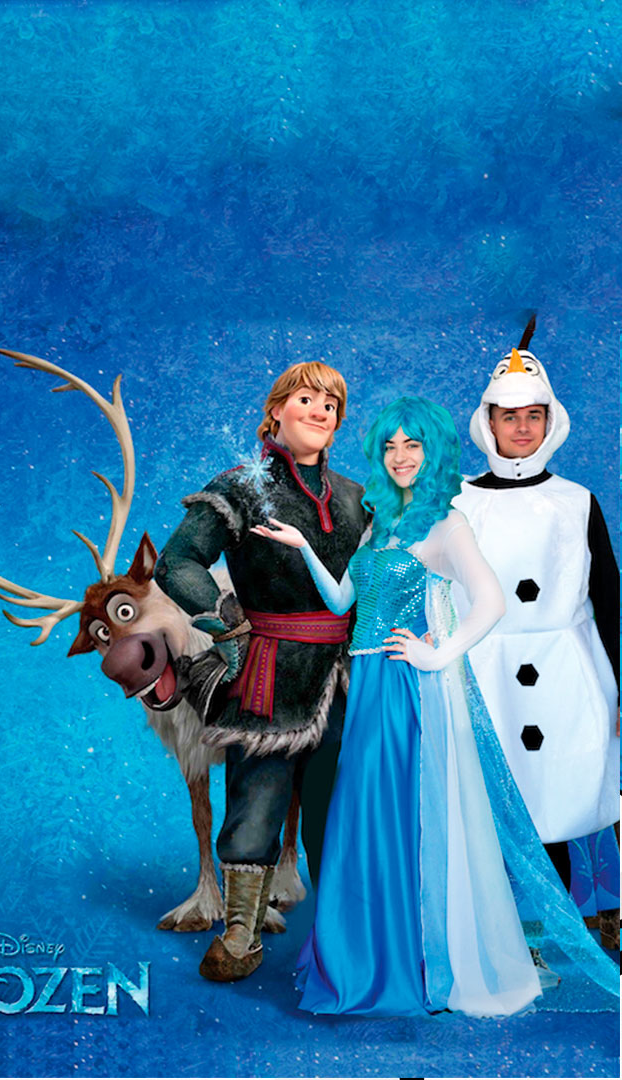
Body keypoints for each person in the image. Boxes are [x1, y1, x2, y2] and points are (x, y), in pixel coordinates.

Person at [253, 396, 618, 1017]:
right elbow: (342, 602)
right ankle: (365, 954)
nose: (400, 457)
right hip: (368, 686)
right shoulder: (379, 523)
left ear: (435, 451)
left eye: (413, 445)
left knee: (400, 816)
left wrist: (437, 653)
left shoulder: (447, 526)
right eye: (391, 446)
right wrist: (303, 547)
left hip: (405, 688)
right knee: (360, 816)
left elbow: (491, 601)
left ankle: (412, 960)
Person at [154, 361, 369, 982]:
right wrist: (226, 624)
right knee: (258, 796)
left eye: (330, 404)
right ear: (276, 411)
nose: (319, 411)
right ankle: (241, 931)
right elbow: (177, 563)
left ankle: (347, 935)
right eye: (306, 399)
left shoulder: (358, 497)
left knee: (341, 805)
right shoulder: (240, 488)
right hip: (268, 666)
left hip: (347, 674)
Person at [453, 324, 620, 950]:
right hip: (487, 670)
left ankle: (589, 915)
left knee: (574, 788)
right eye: (509, 416)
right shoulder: (461, 502)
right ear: (488, 423)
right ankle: (509, 931)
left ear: (551, 420)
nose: (522, 428)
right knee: (504, 796)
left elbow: (609, 598)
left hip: (570, 670)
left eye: (533, 415)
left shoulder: (578, 502)